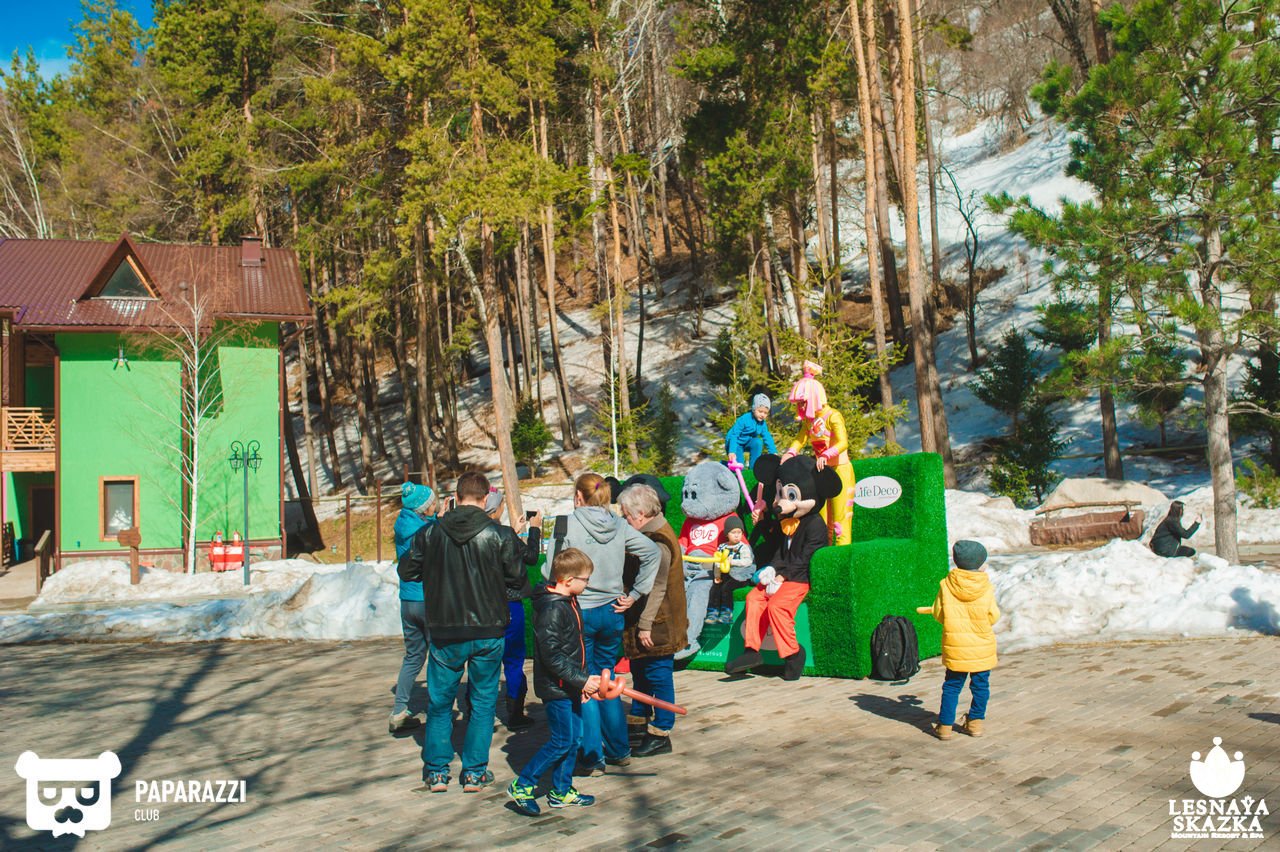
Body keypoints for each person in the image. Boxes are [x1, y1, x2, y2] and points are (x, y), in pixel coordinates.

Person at [399, 471, 526, 793]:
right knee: (483, 702)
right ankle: (474, 772)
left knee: (440, 702)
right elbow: (518, 578)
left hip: (445, 627)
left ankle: (437, 772)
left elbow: (407, 570)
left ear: (456, 497)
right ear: (485, 499)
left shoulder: (430, 532)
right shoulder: (499, 534)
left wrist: (434, 570)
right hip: (488, 627)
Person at [545, 472, 661, 774]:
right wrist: (635, 594)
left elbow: (549, 571)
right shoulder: (619, 524)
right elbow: (652, 552)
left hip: (578, 612)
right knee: (607, 679)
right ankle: (619, 749)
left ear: (578, 496)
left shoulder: (566, 524)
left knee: (585, 682)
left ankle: (592, 754)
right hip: (612, 611)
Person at [507, 548, 603, 816]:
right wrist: (581, 681)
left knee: (573, 739)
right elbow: (553, 657)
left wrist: (582, 683)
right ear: (569, 580)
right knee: (562, 740)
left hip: (570, 685)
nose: (588, 584)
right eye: (585, 579)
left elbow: (575, 648)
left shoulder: (569, 601)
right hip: (556, 688)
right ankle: (523, 785)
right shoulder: (552, 609)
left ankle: (561, 790)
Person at [618, 483, 688, 758]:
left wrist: (645, 624)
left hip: (659, 621)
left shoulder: (658, 540)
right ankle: (639, 720)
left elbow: (658, 586)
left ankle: (661, 731)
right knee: (641, 670)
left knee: (658, 675)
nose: (625, 519)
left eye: (627, 514)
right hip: (651, 617)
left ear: (641, 513)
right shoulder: (651, 532)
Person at [929, 540, 999, 740]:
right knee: (981, 686)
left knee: (952, 686)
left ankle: (945, 726)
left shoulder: (946, 585)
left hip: (956, 646)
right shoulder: (985, 586)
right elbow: (993, 615)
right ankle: (975, 723)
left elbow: (938, 613)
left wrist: (953, 623)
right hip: (981, 646)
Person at [782, 361, 856, 545]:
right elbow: (800, 438)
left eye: (803, 402)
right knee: (822, 519)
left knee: (840, 519)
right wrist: (791, 452)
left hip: (840, 470)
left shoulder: (833, 416)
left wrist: (826, 455)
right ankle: (822, 554)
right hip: (822, 472)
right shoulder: (809, 421)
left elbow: (843, 442)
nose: (800, 406)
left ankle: (841, 556)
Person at [488, 489, 543, 731]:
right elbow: (530, 557)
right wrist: (534, 529)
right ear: (496, 508)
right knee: (513, 659)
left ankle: (480, 712)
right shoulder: (504, 535)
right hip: (509, 602)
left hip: (481, 605)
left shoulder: (480, 533)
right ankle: (515, 711)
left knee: (484, 661)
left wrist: (514, 531)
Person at [389, 481, 437, 734]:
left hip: (408, 600)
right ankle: (438, 711)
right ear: (423, 508)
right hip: (427, 599)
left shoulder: (404, 525)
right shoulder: (426, 531)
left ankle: (399, 710)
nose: (435, 505)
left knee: (413, 656)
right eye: (432, 502)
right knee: (438, 656)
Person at [705, 517, 755, 625]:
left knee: (726, 588)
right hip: (726, 575)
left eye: (739, 532)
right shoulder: (722, 547)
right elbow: (717, 562)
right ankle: (713, 612)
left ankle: (727, 613)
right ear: (727, 534)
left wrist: (732, 562)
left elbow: (748, 561)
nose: (737, 535)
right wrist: (717, 576)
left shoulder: (743, 547)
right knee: (715, 588)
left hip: (741, 576)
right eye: (733, 532)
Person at [724, 393, 778, 466]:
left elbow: (767, 436)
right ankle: (724, 465)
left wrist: (773, 452)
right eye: (760, 411)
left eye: (765, 413)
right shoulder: (744, 419)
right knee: (739, 466)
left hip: (747, 442)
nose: (762, 415)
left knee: (758, 442)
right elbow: (734, 435)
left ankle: (754, 467)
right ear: (754, 409)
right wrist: (732, 451)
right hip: (735, 443)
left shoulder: (762, 423)